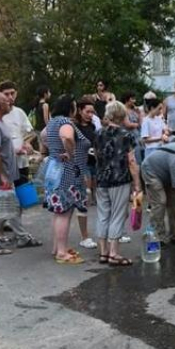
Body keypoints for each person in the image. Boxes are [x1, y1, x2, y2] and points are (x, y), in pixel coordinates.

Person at [0, 92, 42, 256]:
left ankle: (22, 236)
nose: (9, 102)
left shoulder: (0, 122)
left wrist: (16, 150)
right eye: (5, 100)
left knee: (12, 205)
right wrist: (2, 175)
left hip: (8, 172)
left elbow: (2, 147)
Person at [44, 94, 91, 264]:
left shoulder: (52, 122)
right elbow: (68, 137)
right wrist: (70, 154)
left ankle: (57, 247)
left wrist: (54, 152)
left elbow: (43, 137)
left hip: (55, 171)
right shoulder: (65, 122)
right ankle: (62, 253)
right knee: (64, 211)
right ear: (69, 108)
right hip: (68, 174)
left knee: (59, 212)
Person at [96, 101, 141, 266]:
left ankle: (103, 253)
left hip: (101, 180)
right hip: (120, 178)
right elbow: (132, 161)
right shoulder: (126, 135)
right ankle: (114, 253)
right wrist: (137, 184)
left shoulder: (99, 133)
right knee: (117, 215)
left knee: (103, 215)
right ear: (122, 115)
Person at [74, 96, 99, 249]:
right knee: (85, 198)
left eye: (92, 112)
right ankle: (84, 236)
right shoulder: (74, 127)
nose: (90, 115)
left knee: (93, 198)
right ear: (80, 110)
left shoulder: (93, 127)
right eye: (87, 111)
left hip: (94, 163)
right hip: (81, 166)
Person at [0, 80, 34, 179]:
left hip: (21, 163)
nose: (10, 97)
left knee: (23, 190)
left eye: (12, 93)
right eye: (6, 94)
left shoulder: (19, 112)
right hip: (4, 165)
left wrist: (26, 143)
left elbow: (29, 132)